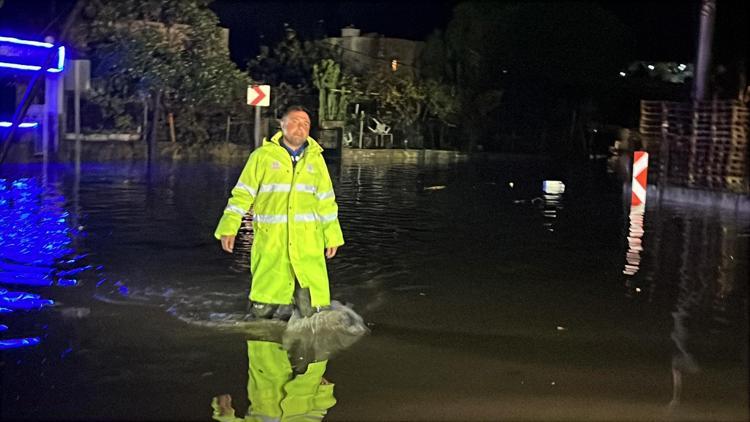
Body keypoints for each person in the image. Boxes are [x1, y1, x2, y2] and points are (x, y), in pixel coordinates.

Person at [215, 106, 344, 319]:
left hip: (307, 246)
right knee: (262, 313)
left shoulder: (316, 160)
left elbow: (326, 202)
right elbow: (242, 194)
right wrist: (229, 226)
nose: (300, 127)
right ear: (281, 125)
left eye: (305, 124)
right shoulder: (262, 157)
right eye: (294, 121)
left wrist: (332, 236)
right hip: (272, 245)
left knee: (312, 316)